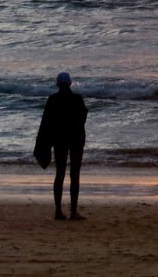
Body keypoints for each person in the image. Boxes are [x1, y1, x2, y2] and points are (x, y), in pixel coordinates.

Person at [35, 72, 88, 221]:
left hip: (59, 140)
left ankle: (58, 211)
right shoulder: (77, 99)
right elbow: (83, 117)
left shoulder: (52, 100)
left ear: (57, 84)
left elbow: (45, 123)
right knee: (75, 174)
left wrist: (45, 143)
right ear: (70, 83)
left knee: (60, 174)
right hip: (76, 139)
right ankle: (73, 212)